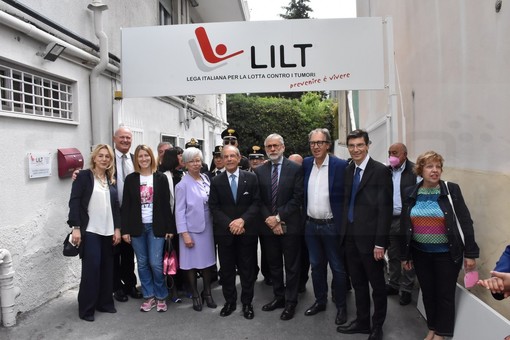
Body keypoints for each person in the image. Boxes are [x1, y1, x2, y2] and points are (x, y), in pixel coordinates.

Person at [400, 150, 479, 340]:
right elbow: (405, 225)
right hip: (420, 253)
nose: (435, 170)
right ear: (420, 170)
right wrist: (406, 255)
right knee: (428, 293)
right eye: (429, 166)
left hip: (447, 254)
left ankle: (442, 334)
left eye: (438, 166)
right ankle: (433, 328)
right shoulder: (411, 192)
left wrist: (470, 253)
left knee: (444, 295)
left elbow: (465, 221)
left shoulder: (451, 190)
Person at [337, 129, 392, 340]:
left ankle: (377, 326)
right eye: (351, 146)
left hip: (371, 242)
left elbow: (385, 210)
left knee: (377, 286)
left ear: (368, 145)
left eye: (360, 145)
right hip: (350, 239)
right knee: (358, 283)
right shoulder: (348, 170)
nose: (355, 149)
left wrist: (380, 243)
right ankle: (362, 322)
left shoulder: (380, 171)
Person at [67, 144, 121, 322]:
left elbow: (115, 207)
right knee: (91, 270)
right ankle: (87, 309)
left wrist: (117, 229)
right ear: (94, 158)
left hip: (108, 231)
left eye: (107, 157)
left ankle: (104, 303)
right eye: (101, 156)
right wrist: (75, 227)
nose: (104, 159)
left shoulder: (110, 179)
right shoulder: (83, 176)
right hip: (90, 231)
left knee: (107, 269)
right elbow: (74, 202)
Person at [303, 128, 349, 326]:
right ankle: (320, 301)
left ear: (328, 144)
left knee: (338, 269)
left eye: (320, 142)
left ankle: (341, 307)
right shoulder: (306, 164)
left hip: (332, 226)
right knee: (316, 267)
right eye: (313, 143)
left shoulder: (340, 165)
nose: (316, 147)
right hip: (311, 226)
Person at [121, 145, 175, 313]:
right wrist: (125, 230)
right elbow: (126, 206)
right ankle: (149, 296)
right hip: (137, 228)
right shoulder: (130, 179)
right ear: (136, 159)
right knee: (142, 263)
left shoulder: (160, 178)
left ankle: (160, 295)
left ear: (151, 157)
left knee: (155, 263)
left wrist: (169, 227)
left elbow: (167, 205)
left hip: (156, 227)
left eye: (146, 155)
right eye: (140, 156)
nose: (143, 159)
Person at [255, 134, 303, 321]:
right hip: (268, 226)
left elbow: (297, 198)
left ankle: (291, 302)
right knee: (274, 265)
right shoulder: (259, 171)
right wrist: (270, 220)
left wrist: (278, 217)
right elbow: (258, 199)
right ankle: (279, 297)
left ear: (283, 147)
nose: (272, 149)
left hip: (290, 225)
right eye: (269, 146)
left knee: (291, 266)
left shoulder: (296, 169)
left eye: (276, 146)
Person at [209, 145, 260, 320]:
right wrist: (230, 223)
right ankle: (229, 302)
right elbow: (213, 207)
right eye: (226, 156)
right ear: (221, 160)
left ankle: (247, 303)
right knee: (227, 271)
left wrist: (242, 220)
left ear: (239, 158)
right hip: (225, 234)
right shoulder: (215, 181)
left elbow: (256, 203)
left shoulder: (251, 178)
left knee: (247, 271)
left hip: (246, 232)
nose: (229, 159)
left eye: (232, 156)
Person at [175, 147, 217, 312]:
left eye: (198, 160)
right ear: (185, 164)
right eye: (191, 161)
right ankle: (195, 294)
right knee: (191, 264)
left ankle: (207, 292)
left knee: (207, 263)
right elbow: (179, 211)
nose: (196, 164)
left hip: (207, 227)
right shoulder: (182, 185)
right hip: (191, 230)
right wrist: (184, 234)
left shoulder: (206, 178)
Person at [112, 126, 142, 302]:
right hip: (114, 213)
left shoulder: (134, 160)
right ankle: (117, 287)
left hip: (132, 213)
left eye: (128, 138)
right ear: (115, 139)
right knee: (115, 252)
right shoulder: (108, 159)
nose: (125, 141)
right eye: (122, 137)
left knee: (130, 251)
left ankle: (130, 284)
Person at [386, 142, 417, 306]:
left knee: (408, 256)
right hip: (390, 219)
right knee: (393, 254)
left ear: (405, 154)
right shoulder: (387, 171)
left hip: (407, 219)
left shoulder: (414, 171)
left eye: (395, 153)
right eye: (390, 153)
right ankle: (393, 283)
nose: (392, 156)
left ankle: (406, 289)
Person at [159, 147, 185, 302]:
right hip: (170, 224)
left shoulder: (184, 174)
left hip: (184, 223)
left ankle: (184, 285)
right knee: (171, 256)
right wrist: (169, 227)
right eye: (180, 155)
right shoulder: (163, 177)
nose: (182, 157)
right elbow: (163, 205)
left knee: (183, 256)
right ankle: (173, 288)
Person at [248, 144, 272, 286]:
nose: (255, 161)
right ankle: (251, 273)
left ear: (263, 160)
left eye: (258, 159)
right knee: (249, 248)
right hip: (250, 218)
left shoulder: (268, 173)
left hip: (264, 216)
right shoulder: (244, 173)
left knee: (267, 247)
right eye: (252, 159)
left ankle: (267, 274)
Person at [289, 153, 309, 293]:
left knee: (304, 255)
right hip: (289, 223)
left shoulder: (307, 178)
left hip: (305, 224)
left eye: (298, 164)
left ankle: (301, 282)